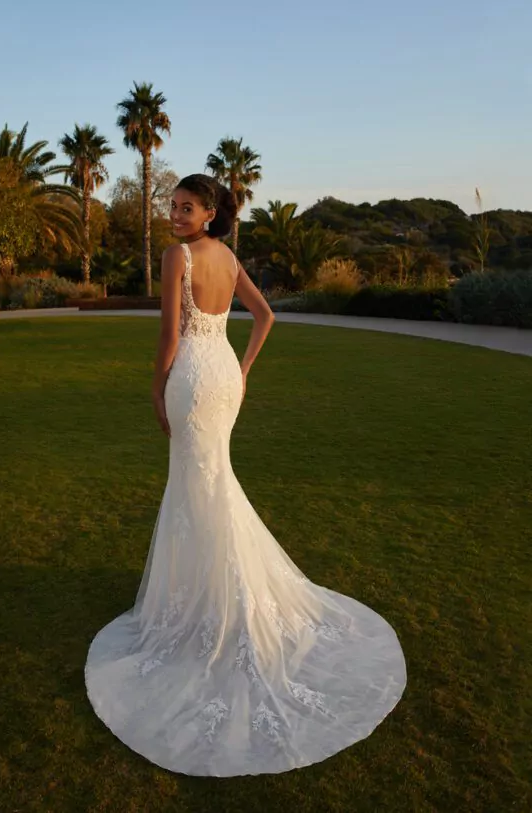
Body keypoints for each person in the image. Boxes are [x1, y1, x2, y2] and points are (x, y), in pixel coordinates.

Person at [84, 173, 407, 777]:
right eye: (172, 206)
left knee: (199, 487)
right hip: (224, 373)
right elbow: (264, 317)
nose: (176, 214)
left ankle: (217, 607)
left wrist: (155, 388)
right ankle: (215, 595)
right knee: (209, 486)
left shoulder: (176, 256)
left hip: (193, 379)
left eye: (186, 207)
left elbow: (168, 334)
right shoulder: (228, 256)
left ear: (208, 212)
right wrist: (245, 369)